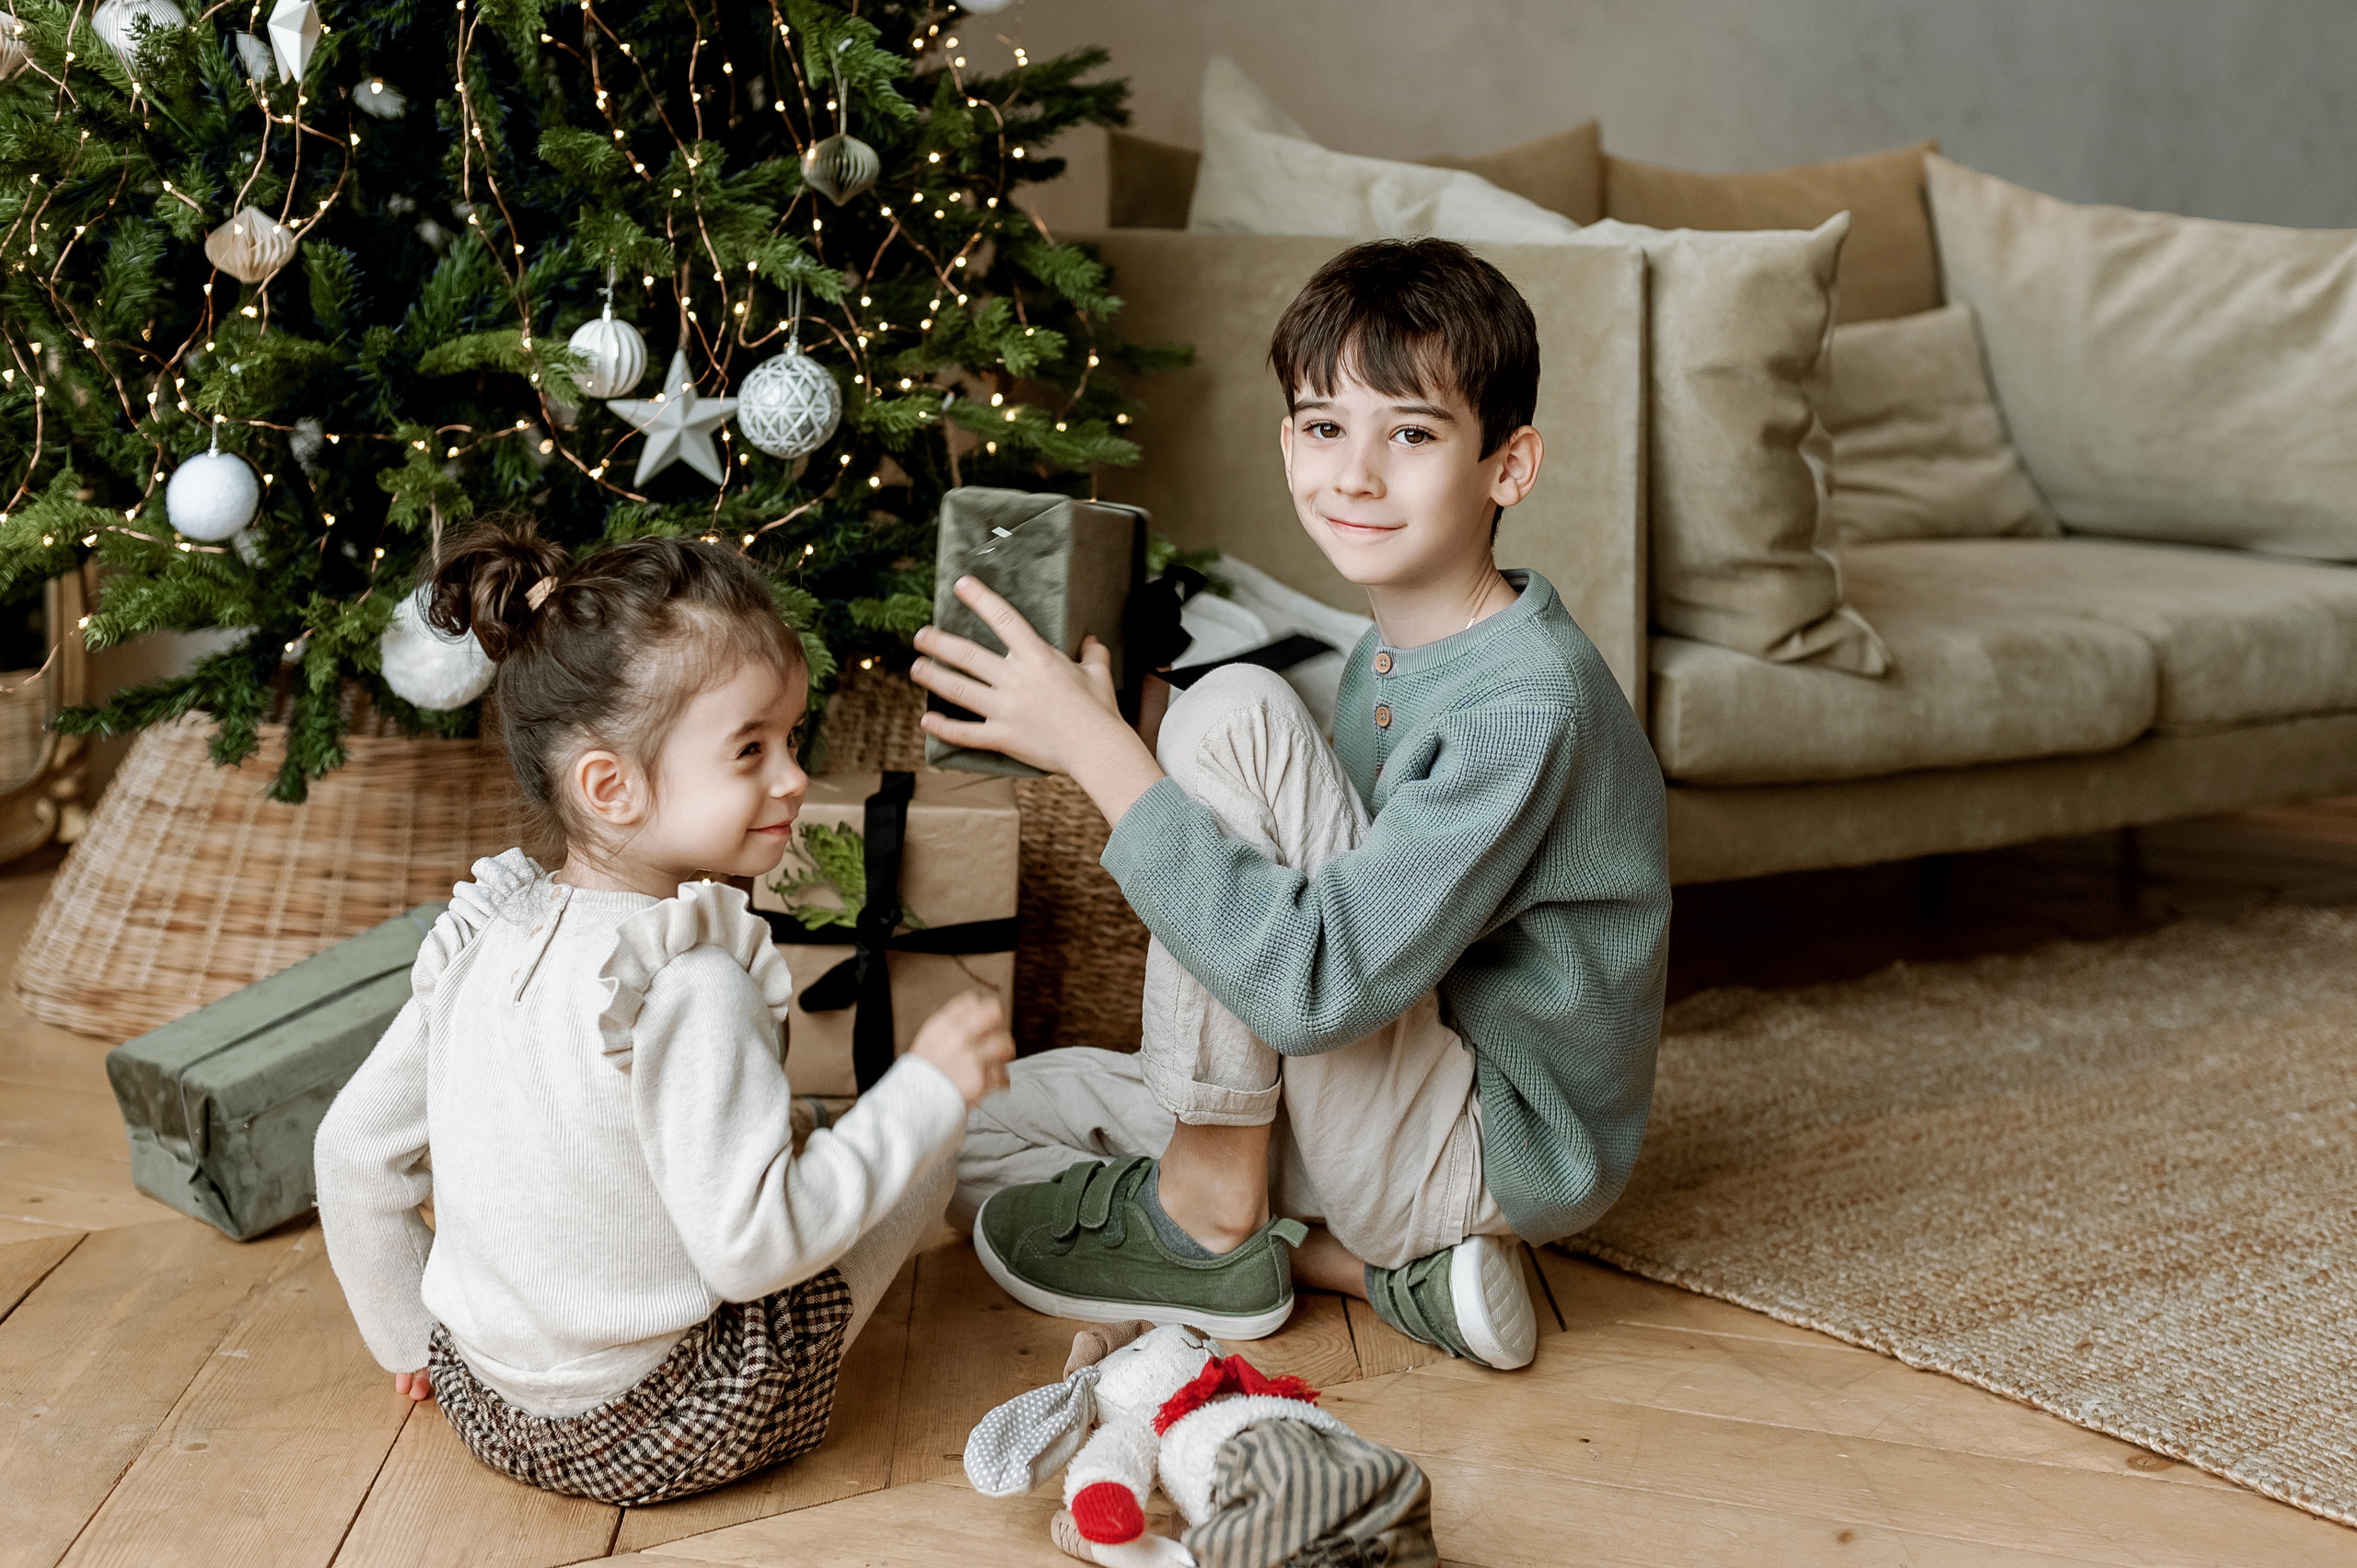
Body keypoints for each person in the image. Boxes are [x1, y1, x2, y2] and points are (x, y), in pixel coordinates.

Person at [910, 238, 1670, 1371]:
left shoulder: (1527, 704)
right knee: (965, 1134)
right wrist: (1118, 708)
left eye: (1410, 434)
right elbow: (1338, 871)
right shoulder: (1395, 646)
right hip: (1377, 1097)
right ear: (1289, 442)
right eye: (1325, 426)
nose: (1355, 473)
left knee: (1236, 711)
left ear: (1508, 467)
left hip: (1471, 1142)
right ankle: (1361, 1270)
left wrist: (1104, 748)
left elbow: (1318, 981)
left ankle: (1214, 1213)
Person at [315, 523, 1015, 1504]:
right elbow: (752, 1250)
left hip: (488, 1401)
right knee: (925, 1140)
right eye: (750, 748)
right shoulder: (691, 982)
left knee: (768, 1141)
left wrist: (412, 1340)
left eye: (791, 738)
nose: (794, 776)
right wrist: (924, 1097)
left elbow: (352, 1150)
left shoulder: (483, 937)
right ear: (611, 785)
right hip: (672, 1418)